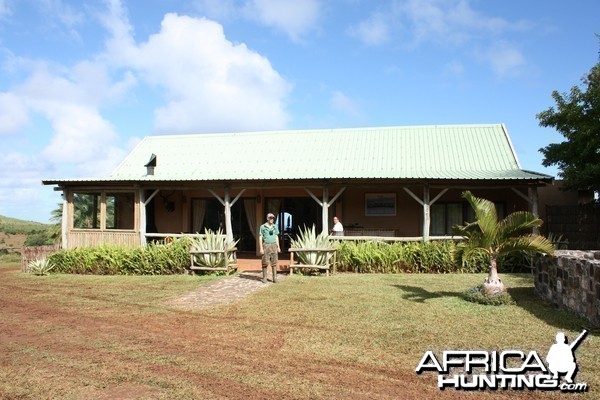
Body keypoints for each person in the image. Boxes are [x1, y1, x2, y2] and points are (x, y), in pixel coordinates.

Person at [259, 213, 281, 283]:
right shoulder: (263, 227)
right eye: (270, 218)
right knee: (265, 262)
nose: (272, 219)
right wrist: (261, 248)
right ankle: (264, 278)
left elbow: (276, 236)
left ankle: (275, 278)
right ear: (267, 218)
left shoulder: (275, 226)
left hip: (274, 245)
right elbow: (260, 237)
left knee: (274, 262)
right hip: (266, 245)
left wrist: (278, 247)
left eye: (273, 218)